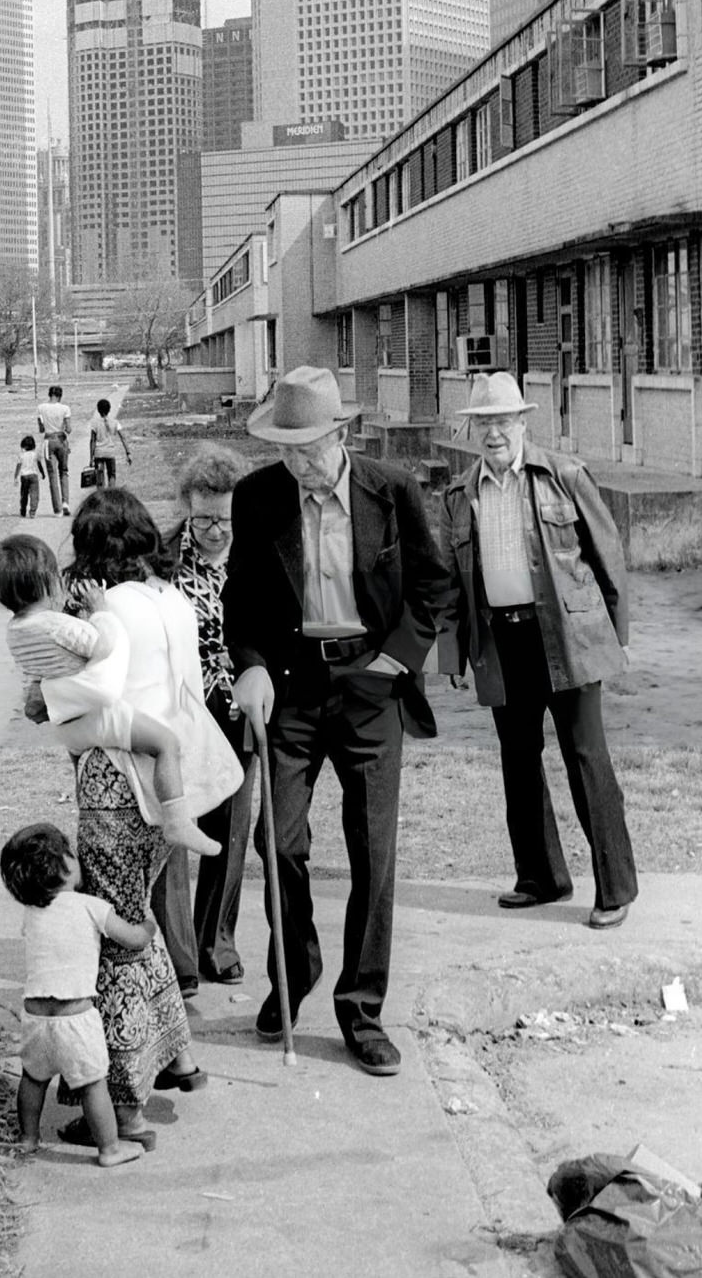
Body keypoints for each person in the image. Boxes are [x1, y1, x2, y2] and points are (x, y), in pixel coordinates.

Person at [223, 366, 451, 1078]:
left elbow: (435, 586)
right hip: (290, 685)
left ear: (341, 434)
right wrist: (251, 664)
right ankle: (295, 972)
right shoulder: (258, 497)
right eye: (285, 448)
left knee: (372, 852)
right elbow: (245, 600)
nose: (298, 462)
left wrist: (395, 663)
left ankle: (362, 1009)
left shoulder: (394, 490)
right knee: (279, 844)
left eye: (310, 447)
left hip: (370, 686)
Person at [57, 488, 243, 1147]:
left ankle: (122, 1103)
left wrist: (52, 706)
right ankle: (174, 1054)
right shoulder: (171, 598)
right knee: (140, 923)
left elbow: (88, 700)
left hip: (115, 779)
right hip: (170, 789)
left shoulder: (107, 611)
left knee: (112, 936)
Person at [440, 372, 638, 930]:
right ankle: (540, 877)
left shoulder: (564, 475)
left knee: (586, 757)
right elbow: (452, 583)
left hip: (569, 639)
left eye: (503, 421)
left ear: (523, 422)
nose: (493, 433)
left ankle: (615, 888)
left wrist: (615, 638)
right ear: (472, 429)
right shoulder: (459, 494)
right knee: (518, 759)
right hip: (503, 641)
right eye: (483, 424)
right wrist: (453, 655)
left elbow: (608, 556)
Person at [0, 533, 221, 855]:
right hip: (99, 718)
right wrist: (99, 611)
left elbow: (60, 660)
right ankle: (177, 820)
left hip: (68, 729)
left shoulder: (15, 631)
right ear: (47, 583)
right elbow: (102, 645)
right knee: (167, 743)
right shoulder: (54, 624)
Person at [151, 445, 256, 998]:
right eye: (203, 518)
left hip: (240, 702)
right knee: (173, 819)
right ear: (188, 509)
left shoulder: (259, 553)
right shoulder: (162, 557)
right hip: (179, 706)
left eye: (224, 519)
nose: (214, 531)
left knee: (231, 824)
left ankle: (219, 942)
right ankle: (178, 955)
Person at [0, 821, 152, 1166]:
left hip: (36, 1016)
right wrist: (148, 926)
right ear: (65, 865)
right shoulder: (89, 905)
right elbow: (133, 939)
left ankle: (28, 1138)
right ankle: (110, 1148)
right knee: (92, 1084)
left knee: (33, 1079)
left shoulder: (32, 913)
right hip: (76, 1017)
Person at [37, 383, 72, 515]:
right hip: (61, 440)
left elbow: (41, 429)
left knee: (52, 475)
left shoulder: (41, 408)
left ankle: (57, 509)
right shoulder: (65, 408)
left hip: (48, 441)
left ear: (49, 395)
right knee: (63, 471)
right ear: (60, 396)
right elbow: (69, 429)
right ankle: (65, 503)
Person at [88, 398, 131, 487]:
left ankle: (101, 496)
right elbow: (123, 438)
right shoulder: (115, 422)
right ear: (109, 410)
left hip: (98, 454)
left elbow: (92, 441)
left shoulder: (94, 423)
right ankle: (111, 495)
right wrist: (128, 452)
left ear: (98, 410)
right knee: (112, 475)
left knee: (99, 478)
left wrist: (91, 458)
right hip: (110, 454)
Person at [15, 434, 45, 517]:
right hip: (33, 475)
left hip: (24, 476)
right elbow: (39, 464)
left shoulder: (21, 455)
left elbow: (18, 466)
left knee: (24, 494)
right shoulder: (35, 454)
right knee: (34, 494)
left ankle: (23, 509)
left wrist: (16, 476)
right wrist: (42, 473)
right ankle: (32, 511)